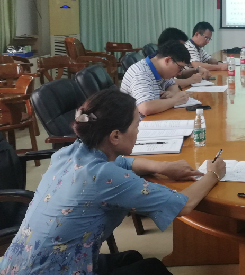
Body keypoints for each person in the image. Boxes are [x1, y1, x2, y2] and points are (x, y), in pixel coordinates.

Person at [0, 89, 226, 275]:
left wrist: (161, 167)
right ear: (115, 136)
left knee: (132, 258)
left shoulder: (69, 152)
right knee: (152, 269)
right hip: (54, 269)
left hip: (19, 265)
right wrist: (213, 174)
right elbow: (183, 204)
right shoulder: (105, 177)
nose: (139, 130)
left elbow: (122, 162)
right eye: (137, 125)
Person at [120, 40, 190, 116]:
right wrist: (174, 100)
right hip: (139, 121)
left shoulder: (160, 70)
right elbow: (145, 108)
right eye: (180, 68)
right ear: (167, 60)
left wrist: (171, 93)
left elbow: (173, 85)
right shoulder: (141, 73)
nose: (180, 73)